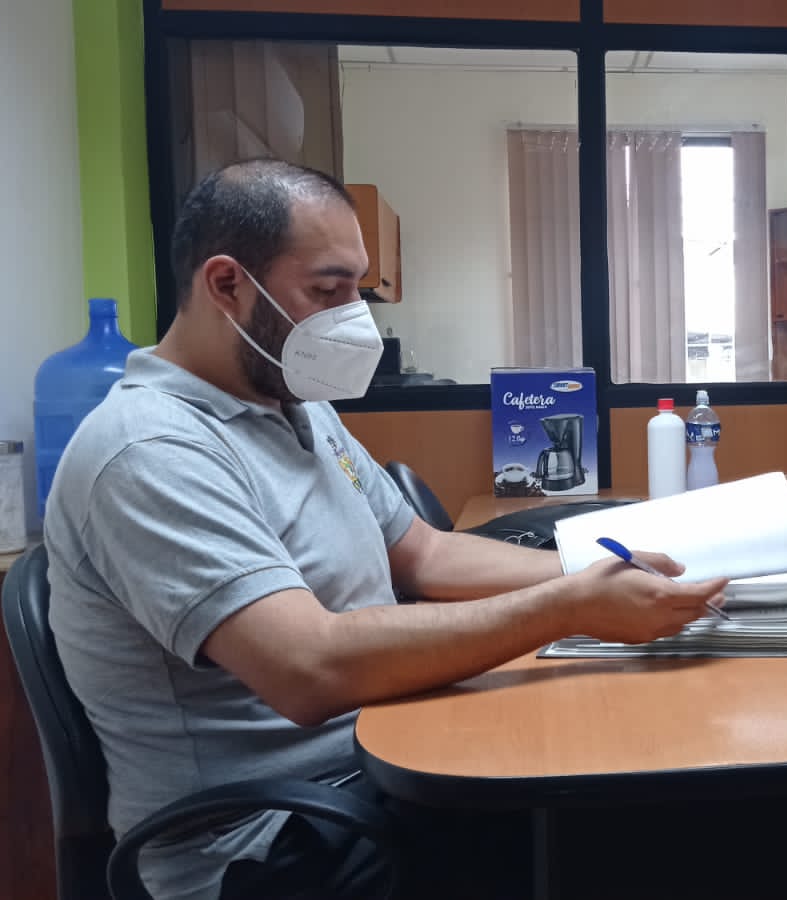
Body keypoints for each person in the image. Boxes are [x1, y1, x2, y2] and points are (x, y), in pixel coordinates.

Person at [43, 159, 727, 900]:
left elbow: (423, 552)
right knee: (628, 823)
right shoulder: (150, 450)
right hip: (272, 842)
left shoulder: (295, 406)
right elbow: (308, 668)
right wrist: (568, 608)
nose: (353, 318)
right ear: (227, 284)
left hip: (374, 762)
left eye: (357, 292)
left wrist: (600, 573)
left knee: (624, 763)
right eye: (327, 291)